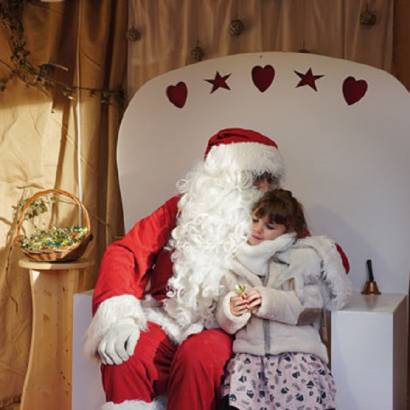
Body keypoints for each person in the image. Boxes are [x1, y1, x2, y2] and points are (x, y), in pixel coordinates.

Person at [84, 128, 349, 410]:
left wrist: (318, 257)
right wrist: (121, 315)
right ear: (224, 177)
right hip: (169, 316)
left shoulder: (269, 221)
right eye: (255, 178)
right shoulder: (181, 208)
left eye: (270, 179)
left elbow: (321, 255)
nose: (264, 187)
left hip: (228, 324)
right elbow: (127, 251)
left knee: (199, 356)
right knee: (128, 354)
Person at [216, 189, 352, 410]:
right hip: (250, 357)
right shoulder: (236, 262)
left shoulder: (302, 258)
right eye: (255, 220)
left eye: (270, 226)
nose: (258, 230)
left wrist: (267, 300)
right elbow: (226, 323)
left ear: (288, 231)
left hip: (296, 355)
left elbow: (309, 309)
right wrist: (232, 310)